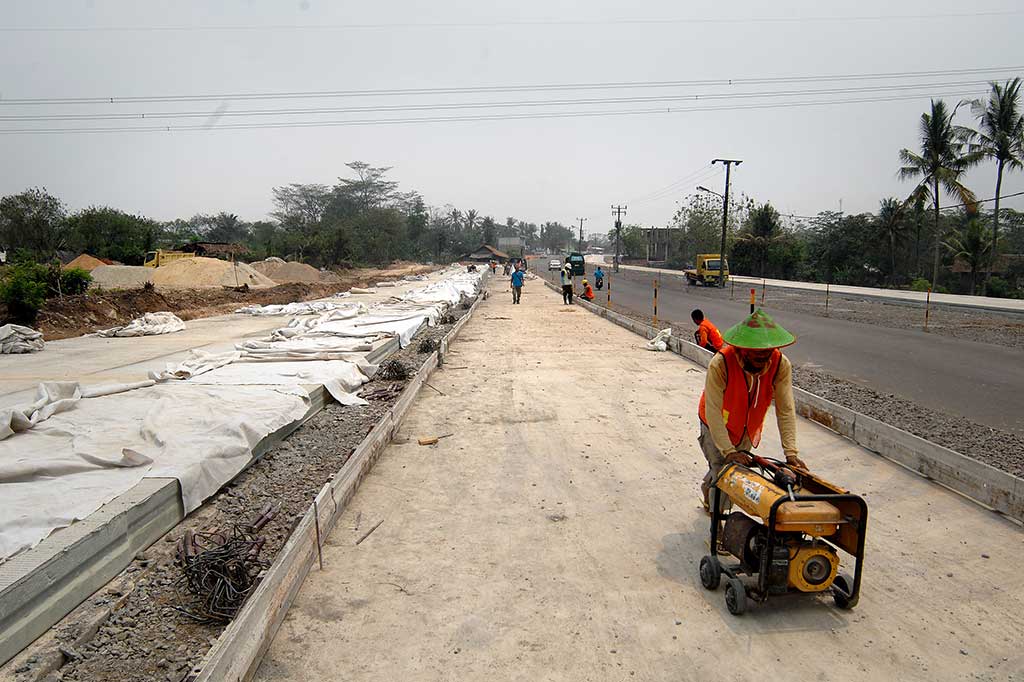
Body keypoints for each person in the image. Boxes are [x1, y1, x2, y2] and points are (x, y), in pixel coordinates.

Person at [697, 309, 807, 514]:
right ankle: (717, 520)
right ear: (742, 349)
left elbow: (785, 410)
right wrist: (729, 451)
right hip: (714, 422)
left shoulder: (780, 364)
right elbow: (713, 409)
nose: (762, 358)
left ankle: (709, 490)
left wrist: (791, 453)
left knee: (731, 469)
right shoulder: (721, 363)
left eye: (767, 353)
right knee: (725, 470)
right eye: (756, 354)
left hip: (746, 427)